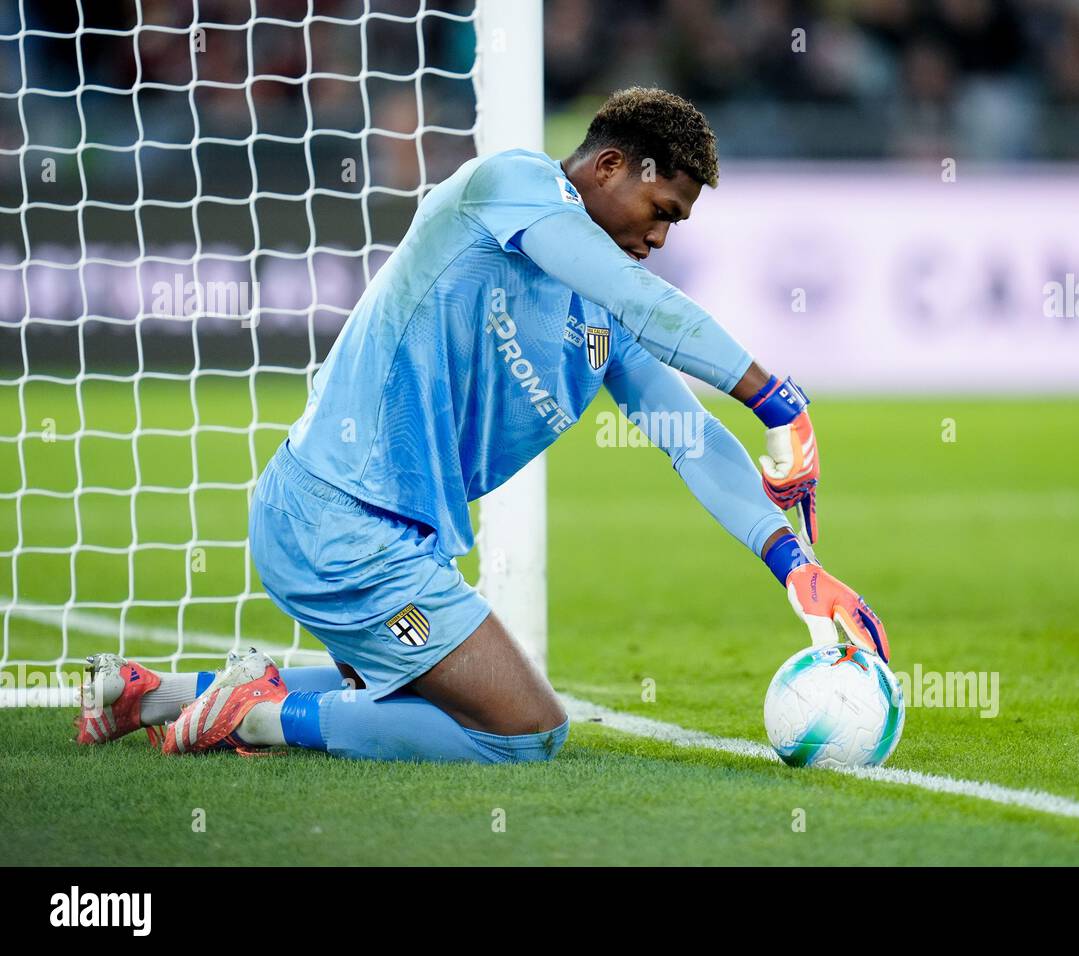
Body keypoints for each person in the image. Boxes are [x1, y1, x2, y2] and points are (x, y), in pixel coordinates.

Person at [75, 88, 888, 764]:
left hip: (392, 547)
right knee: (526, 731)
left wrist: (794, 564)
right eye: (659, 208)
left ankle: (155, 696)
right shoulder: (509, 186)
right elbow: (646, 299)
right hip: (339, 528)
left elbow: (688, 435)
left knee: (399, 682)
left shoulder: (602, 315)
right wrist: (778, 399)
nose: (659, 237)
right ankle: (255, 717)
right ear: (609, 167)